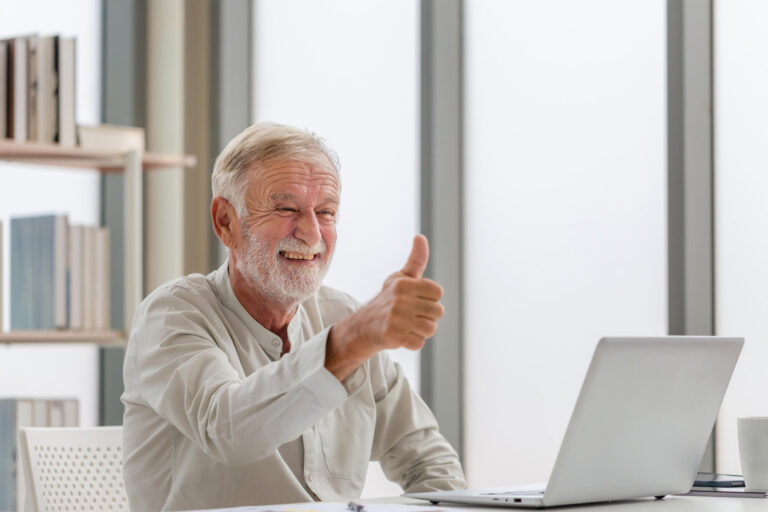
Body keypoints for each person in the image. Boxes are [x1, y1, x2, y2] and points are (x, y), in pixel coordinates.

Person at [121, 122, 466, 511]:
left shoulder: (344, 315)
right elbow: (228, 430)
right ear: (226, 222)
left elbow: (425, 458)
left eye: (326, 212)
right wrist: (350, 342)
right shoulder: (171, 315)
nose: (312, 233)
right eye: (286, 209)